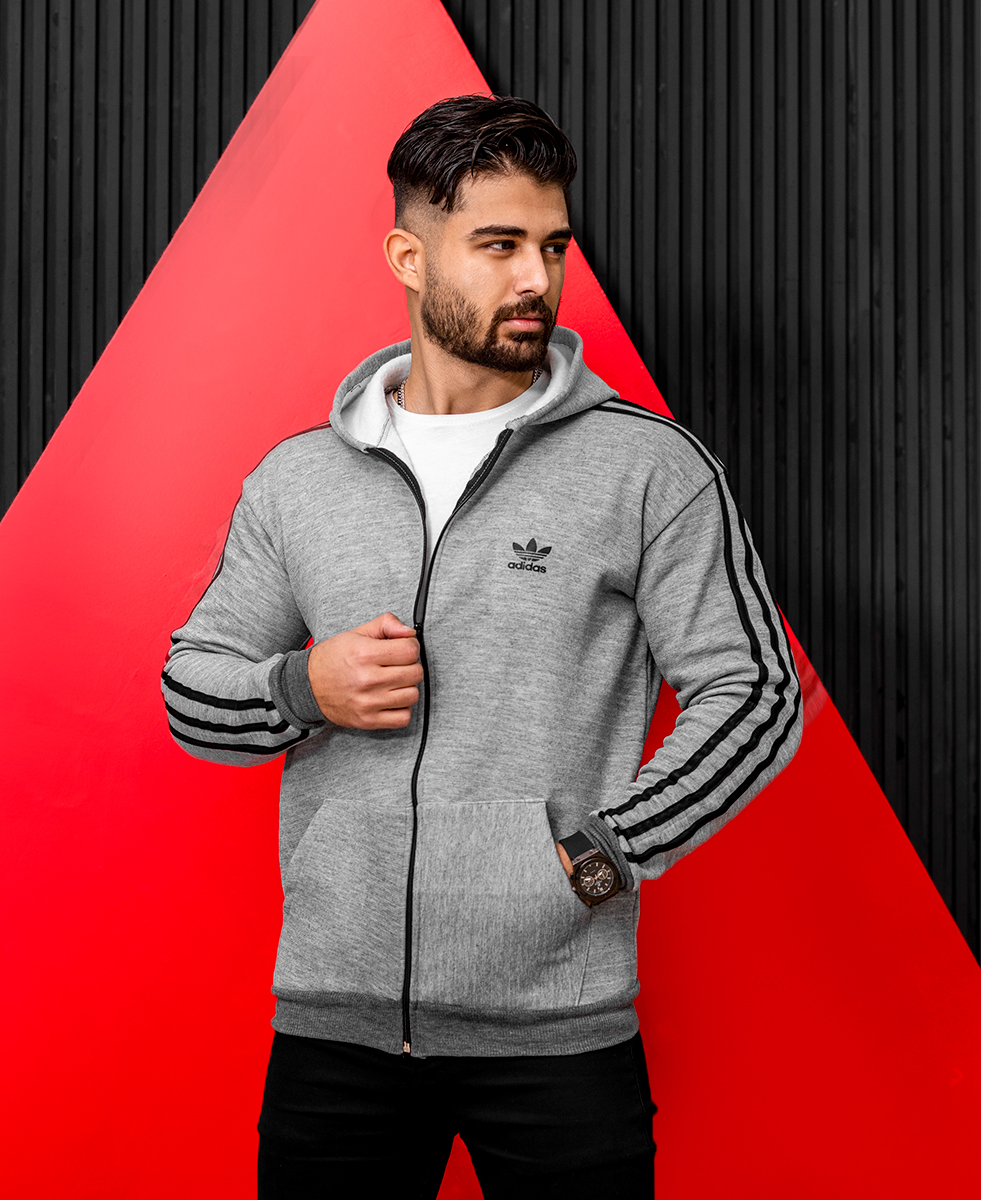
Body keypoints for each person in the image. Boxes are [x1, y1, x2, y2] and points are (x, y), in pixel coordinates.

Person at [161, 94, 802, 1198]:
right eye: (499, 245)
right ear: (409, 258)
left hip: (559, 1035)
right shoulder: (298, 481)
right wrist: (302, 686)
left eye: (552, 246)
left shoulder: (648, 469)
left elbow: (756, 695)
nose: (536, 279)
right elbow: (191, 692)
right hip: (334, 1032)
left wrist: (599, 856)